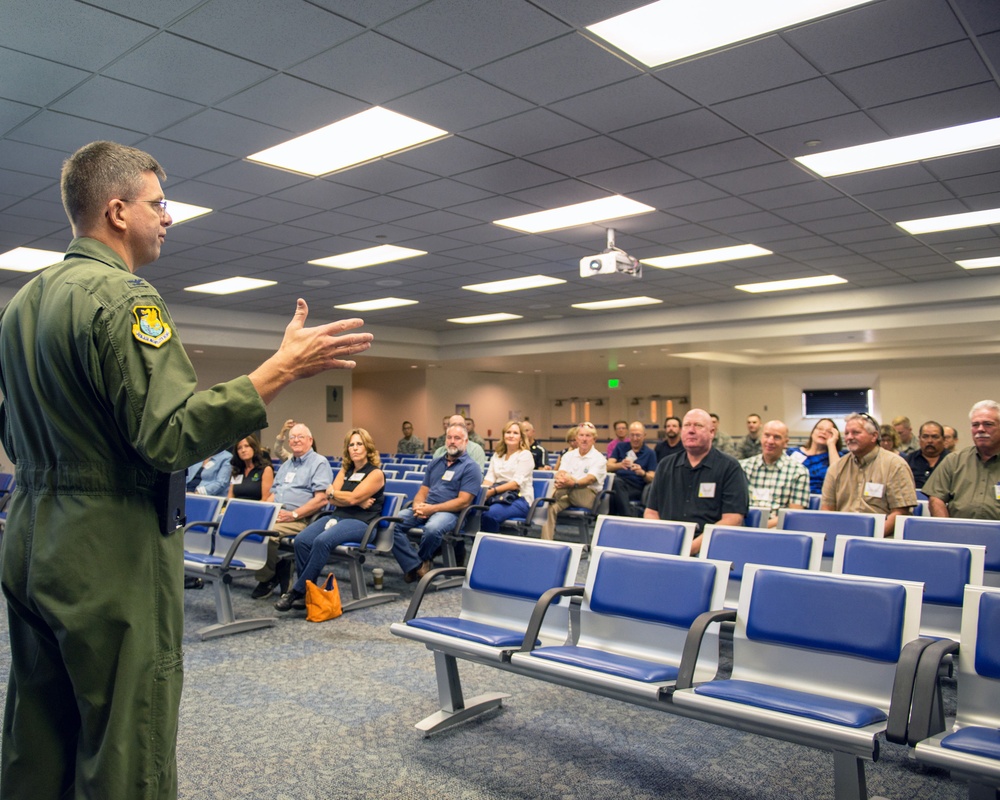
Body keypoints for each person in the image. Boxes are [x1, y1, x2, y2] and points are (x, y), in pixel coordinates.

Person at [0, 140, 371, 800]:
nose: (169, 217)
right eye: (158, 203)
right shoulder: (125, 298)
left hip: (31, 534)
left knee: (40, 733)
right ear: (117, 211)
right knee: (123, 741)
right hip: (106, 546)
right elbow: (169, 436)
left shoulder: (23, 305)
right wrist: (276, 371)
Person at [274, 428, 385, 612]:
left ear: (368, 447)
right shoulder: (345, 470)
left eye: (359, 444)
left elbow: (350, 498)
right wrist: (345, 496)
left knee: (321, 541)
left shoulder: (375, 474)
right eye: (351, 445)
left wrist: (342, 495)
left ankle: (297, 591)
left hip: (362, 524)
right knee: (302, 540)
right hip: (338, 517)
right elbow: (330, 497)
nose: (355, 448)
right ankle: (307, 591)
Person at [645, 409, 748, 554]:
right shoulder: (665, 465)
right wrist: (666, 542)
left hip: (711, 547)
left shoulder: (730, 467)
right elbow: (651, 513)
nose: (691, 431)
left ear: (712, 432)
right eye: (687, 425)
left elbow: (733, 519)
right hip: (668, 544)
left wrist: (688, 548)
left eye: (698, 426)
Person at [252, 423, 333, 598]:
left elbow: (321, 499)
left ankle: (267, 578)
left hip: (302, 519)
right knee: (251, 527)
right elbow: (274, 493)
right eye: (293, 437)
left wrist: (294, 514)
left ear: (310, 440)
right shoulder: (287, 465)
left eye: (300, 437)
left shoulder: (319, 463)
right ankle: (278, 567)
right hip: (278, 514)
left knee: (266, 533)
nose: (296, 440)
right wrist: (263, 512)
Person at [392, 423, 482, 581]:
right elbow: (422, 491)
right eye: (449, 438)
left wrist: (431, 509)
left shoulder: (471, 467)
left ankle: (423, 559)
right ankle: (416, 565)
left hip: (451, 513)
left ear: (466, 442)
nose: (452, 441)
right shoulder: (435, 464)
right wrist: (418, 506)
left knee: (432, 528)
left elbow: (463, 502)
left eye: (457, 438)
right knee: (390, 524)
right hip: (427, 508)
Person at [820, 413, 916, 535]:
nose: (849, 437)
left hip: (882, 538)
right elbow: (827, 509)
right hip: (842, 537)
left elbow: (900, 512)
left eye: (856, 432)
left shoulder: (895, 465)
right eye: (847, 433)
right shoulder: (836, 468)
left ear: (874, 436)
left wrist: (870, 537)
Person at [924, 400, 1000, 520]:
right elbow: (936, 499)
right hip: (959, 533)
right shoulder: (954, 460)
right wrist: (947, 529)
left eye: (988, 424)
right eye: (975, 425)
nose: (980, 429)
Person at [541, 422, 607, 540]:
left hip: (587, 496)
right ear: (576, 438)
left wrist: (572, 482)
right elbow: (560, 474)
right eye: (581, 436)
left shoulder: (599, 459)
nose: (584, 439)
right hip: (567, 493)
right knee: (550, 508)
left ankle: (544, 499)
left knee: (563, 485)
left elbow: (589, 479)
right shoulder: (568, 455)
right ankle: (546, 543)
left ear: (594, 439)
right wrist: (565, 480)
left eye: (588, 436)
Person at [739, 420, 810, 527]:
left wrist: (760, 527)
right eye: (767, 435)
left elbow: (794, 514)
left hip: (777, 531)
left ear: (785, 442)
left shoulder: (798, 472)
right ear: (761, 438)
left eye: (777, 437)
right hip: (743, 527)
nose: (770, 441)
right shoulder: (743, 467)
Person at [479, 420, 534, 533]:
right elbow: (489, 479)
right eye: (508, 432)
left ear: (521, 437)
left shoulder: (525, 455)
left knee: (489, 515)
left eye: (515, 433)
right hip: (497, 497)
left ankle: (490, 547)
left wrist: (492, 492)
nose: (511, 435)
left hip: (519, 500)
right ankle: (475, 545)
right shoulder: (498, 455)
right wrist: (482, 493)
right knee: (471, 511)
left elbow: (515, 484)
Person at [606, 421, 656, 516]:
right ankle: (628, 517)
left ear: (644, 436)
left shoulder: (650, 453)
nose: (635, 438)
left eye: (638, 435)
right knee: (616, 485)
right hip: (619, 483)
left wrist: (642, 473)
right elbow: (608, 466)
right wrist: (620, 465)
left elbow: (652, 477)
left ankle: (624, 517)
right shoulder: (620, 447)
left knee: (613, 494)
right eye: (632, 435)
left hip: (636, 487)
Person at [787, 417, 843, 494]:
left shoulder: (835, 456)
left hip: (822, 499)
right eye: (820, 429)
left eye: (829, 431)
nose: (823, 432)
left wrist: (831, 444)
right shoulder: (793, 452)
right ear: (813, 431)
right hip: (794, 495)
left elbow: (838, 477)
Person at [904, 421, 950, 490]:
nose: (930, 441)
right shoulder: (908, 461)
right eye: (925, 437)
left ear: (943, 439)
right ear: (919, 438)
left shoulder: (953, 461)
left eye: (935, 437)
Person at [228, 435, 274, 501]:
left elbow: (265, 499)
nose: (243, 450)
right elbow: (230, 496)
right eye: (239, 448)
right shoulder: (237, 470)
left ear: (254, 448)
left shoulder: (266, 469)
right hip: (236, 508)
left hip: (256, 508)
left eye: (247, 446)